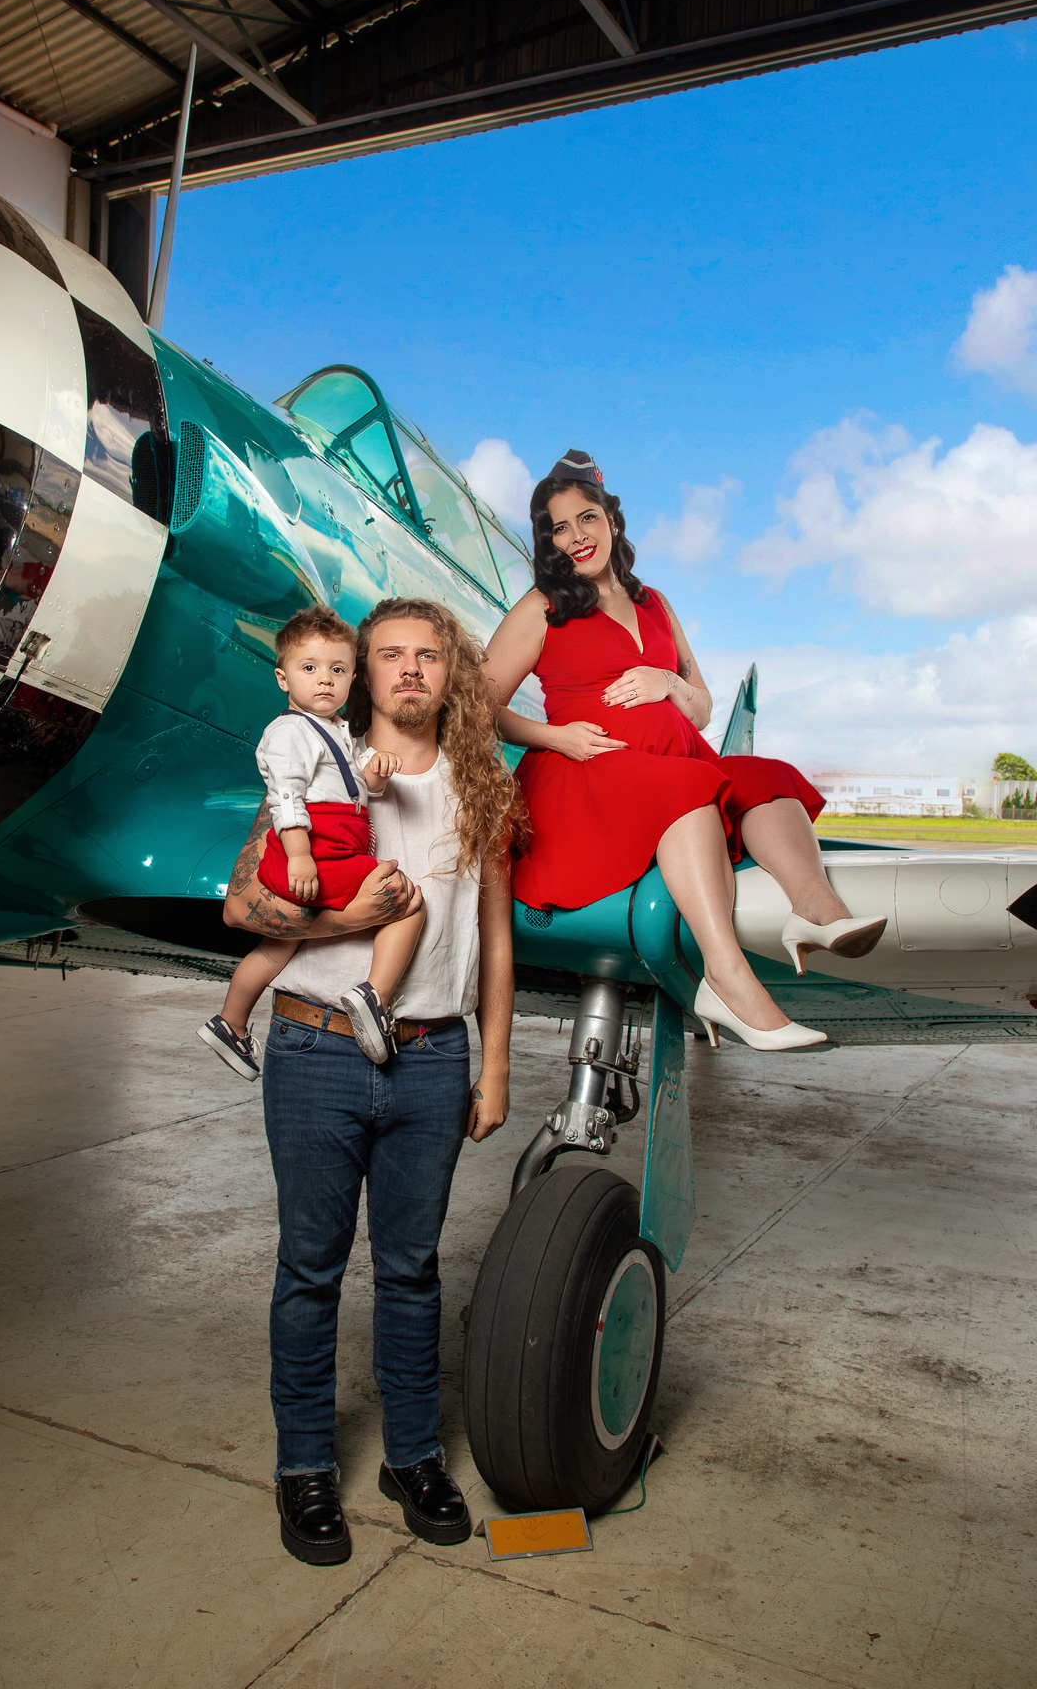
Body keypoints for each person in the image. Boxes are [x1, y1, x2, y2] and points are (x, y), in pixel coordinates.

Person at [222, 597, 519, 1566]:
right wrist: (353, 919)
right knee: (310, 1268)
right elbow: (243, 905)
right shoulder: (318, 760)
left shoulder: (481, 786)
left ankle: (413, 1456)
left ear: (450, 671)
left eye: (428, 655)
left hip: (433, 1058)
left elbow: (496, 937)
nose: (410, 670)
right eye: (390, 654)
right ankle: (305, 1465)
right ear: (365, 669)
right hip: (316, 1050)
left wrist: (495, 1062)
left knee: (411, 1270)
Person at [485, 450, 888, 1053]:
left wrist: (667, 681)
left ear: (611, 520)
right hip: (584, 772)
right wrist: (555, 736)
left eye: (587, 518)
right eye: (559, 529)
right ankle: (726, 980)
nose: (577, 537)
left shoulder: (656, 604)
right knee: (691, 787)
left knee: (770, 777)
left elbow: (700, 707)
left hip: (675, 760)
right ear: (549, 542)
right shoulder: (541, 607)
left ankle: (816, 909)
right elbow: (479, 704)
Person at [198, 606, 424, 1075]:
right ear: (283, 678)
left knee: (276, 948)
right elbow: (286, 797)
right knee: (405, 899)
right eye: (309, 668)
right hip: (315, 850)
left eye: (337, 670)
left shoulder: (335, 730)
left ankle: (230, 1022)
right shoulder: (289, 731)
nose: (325, 679)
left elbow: (354, 789)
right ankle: (374, 996)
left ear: (352, 679)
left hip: (329, 845)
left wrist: (375, 774)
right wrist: (300, 857)